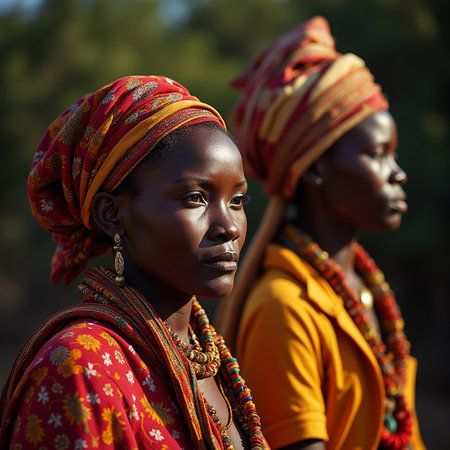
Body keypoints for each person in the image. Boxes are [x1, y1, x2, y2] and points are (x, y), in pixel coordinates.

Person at [0, 75, 267, 449]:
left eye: (237, 202)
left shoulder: (208, 357)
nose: (228, 227)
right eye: (195, 198)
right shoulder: (79, 367)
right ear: (112, 214)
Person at [216, 17, 425, 450]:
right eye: (376, 154)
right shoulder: (284, 308)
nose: (398, 174)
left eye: (394, 154)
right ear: (313, 167)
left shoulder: (367, 291)